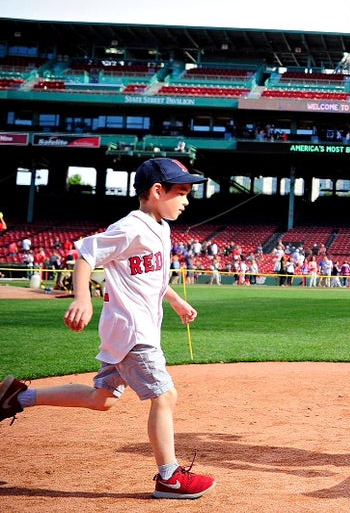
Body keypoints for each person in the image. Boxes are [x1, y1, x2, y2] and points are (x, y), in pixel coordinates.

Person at [0, 157, 215, 499]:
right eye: (182, 192)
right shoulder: (131, 226)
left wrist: (174, 299)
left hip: (128, 330)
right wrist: (82, 298)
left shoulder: (161, 227)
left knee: (101, 399)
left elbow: (152, 276)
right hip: (133, 332)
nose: (187, 200)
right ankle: (169, 477)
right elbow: (86, 254)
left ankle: (17, 397)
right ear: (157, 191)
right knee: (165, 395)